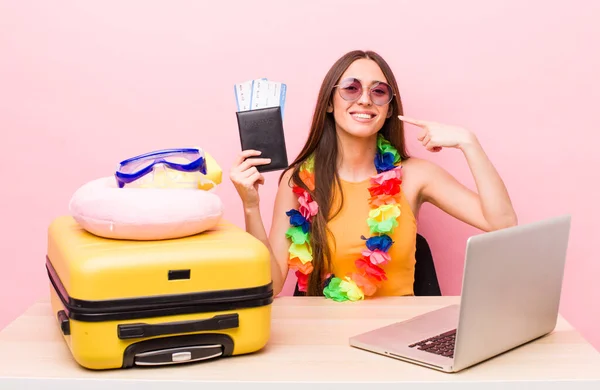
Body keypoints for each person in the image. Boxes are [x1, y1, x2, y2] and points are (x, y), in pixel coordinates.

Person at [229, 50, 517, 302]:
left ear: (389, 108)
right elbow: (272, 284)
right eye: (351, 89)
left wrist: (469, 142)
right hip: (323, 343)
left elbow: (502, 222)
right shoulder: (300, 181)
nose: (365, 99)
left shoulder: (416, 175)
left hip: (399, 340)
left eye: (378, 92)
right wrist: (251, 206)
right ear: (329, 102)